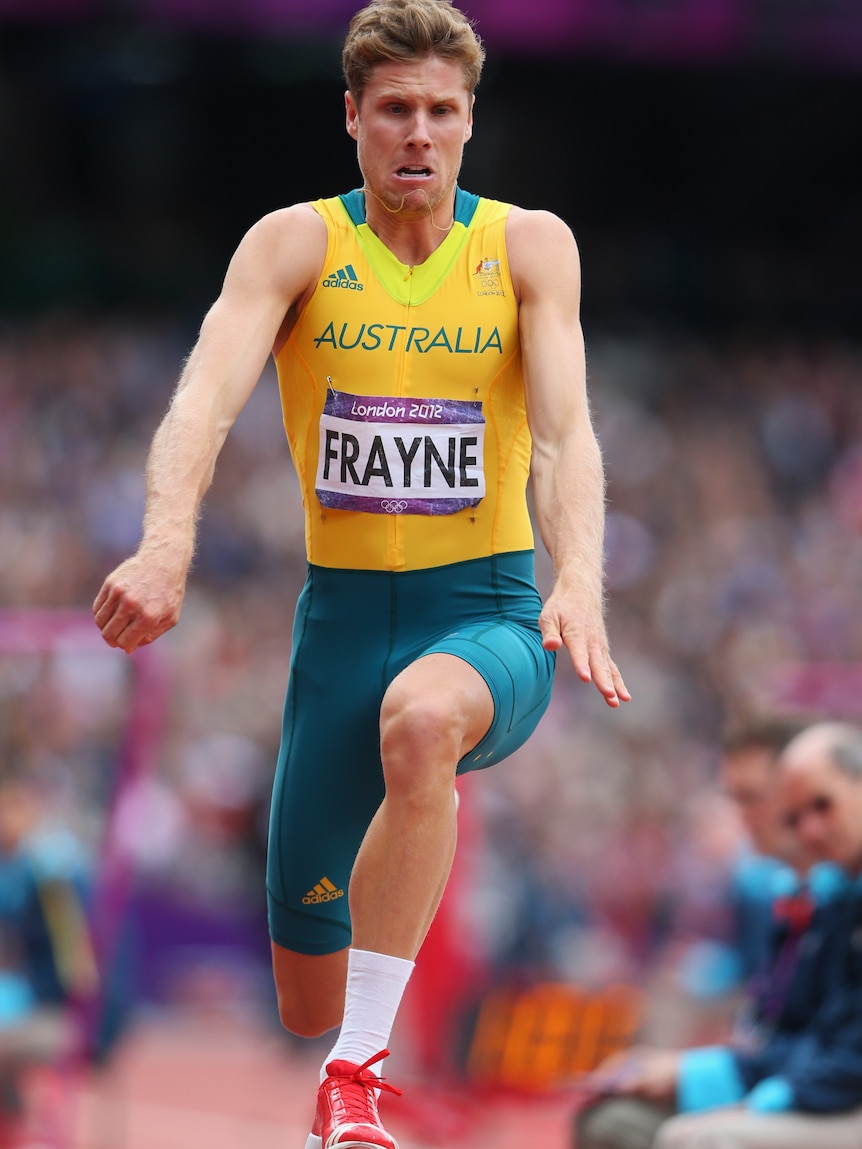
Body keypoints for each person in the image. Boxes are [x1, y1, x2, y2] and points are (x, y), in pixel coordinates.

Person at [92, 2, 629, 1146]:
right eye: (395, 111)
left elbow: (569, 431)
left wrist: (579, 576)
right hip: (336, 628)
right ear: (353, 118)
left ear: (470, 121)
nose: (418, 135)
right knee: (305, 995)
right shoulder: (292, 245)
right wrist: (165, 542)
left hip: (486, 611)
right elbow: (203, 399)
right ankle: (340, 1044)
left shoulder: (529, 246)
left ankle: (360, 1082)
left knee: (423, 719)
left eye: (441, 111)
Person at [577, 721, 862, 1149]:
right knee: (609, 1119)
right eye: (798, 812)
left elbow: (836, 1048)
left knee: (685, 1139)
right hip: (810, 1081)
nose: (744, 816)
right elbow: (799, 1032)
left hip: (830, 1093)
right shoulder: (802, 893)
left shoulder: (825, 898)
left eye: (754, 797)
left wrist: (741, 1088)